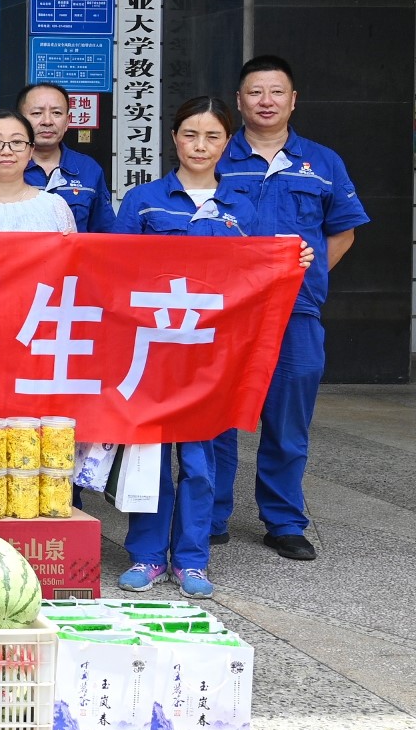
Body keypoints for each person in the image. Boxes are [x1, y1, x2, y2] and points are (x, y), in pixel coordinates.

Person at [112, 97, 315, 598]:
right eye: (190, 134)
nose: (200, 146)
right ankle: (146, 555)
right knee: (149, 458)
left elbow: (262, 269)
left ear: (227, 143)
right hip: (154, 353)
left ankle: (193, 560)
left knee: (203, 461)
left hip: (213, 356)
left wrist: (295, 259)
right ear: (173, 138)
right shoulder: (144, 200)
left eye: (212, 137)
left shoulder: (243, 205)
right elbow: (113, 268)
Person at [211, 55, 370, 561]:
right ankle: (210, 515)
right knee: (217, 415)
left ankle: (283, 521)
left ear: (293, 100)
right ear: (239, 101)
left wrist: (304, 275)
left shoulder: (322, 162)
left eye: (276, 92)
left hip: (295, 311)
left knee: (288, 419)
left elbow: (342, 232)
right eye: (255, 92)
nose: (266, 101)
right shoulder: (217, 155)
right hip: (224, 311)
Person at [0, 82, 113, 231]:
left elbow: (104, 233)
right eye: (37, 113)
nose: (47, 121)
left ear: (67, 121)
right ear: (20, 120)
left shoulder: (88, 169)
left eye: (56, 113)